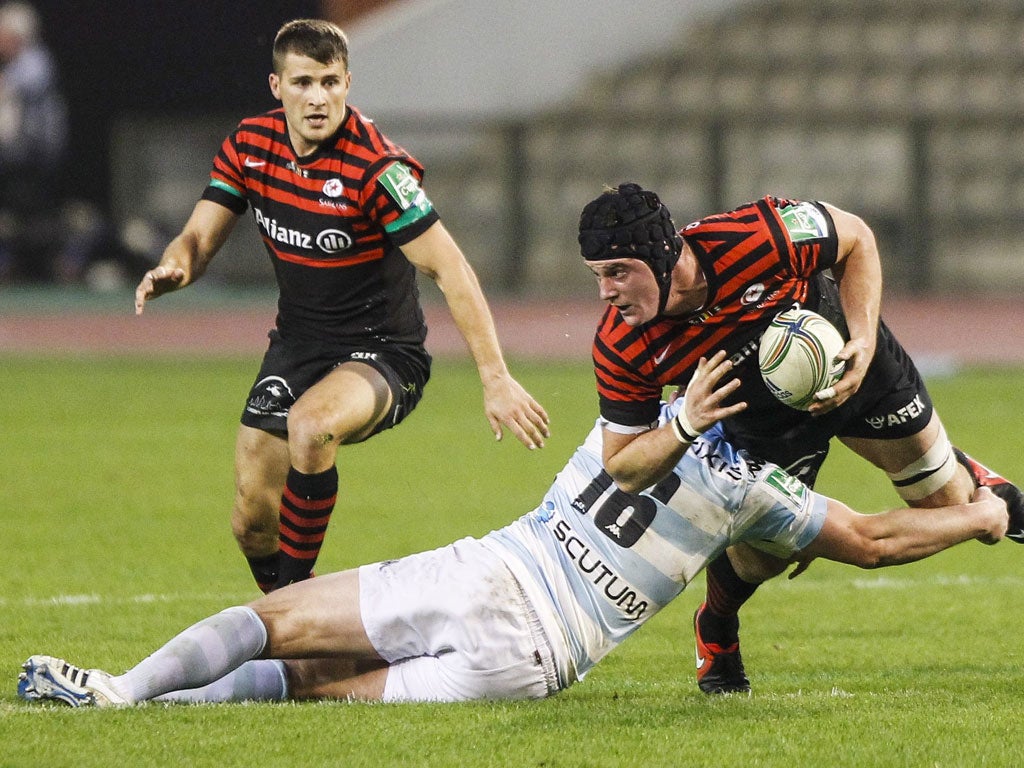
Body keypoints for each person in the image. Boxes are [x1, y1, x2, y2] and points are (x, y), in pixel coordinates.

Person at [16, 352, 1008, 707]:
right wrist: (980, 511)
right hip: (534, 661)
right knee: (309, 697)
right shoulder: (761, 497)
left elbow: (647, 412)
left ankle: (116, 694)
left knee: (281, 632)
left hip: (491, 573)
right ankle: (130, 706)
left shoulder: (638, 408)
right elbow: (878, 540)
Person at [133, 19, 549, 593]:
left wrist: (495, 377)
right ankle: (296, 629)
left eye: (331, 82)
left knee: (312, 426)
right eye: (303, 82)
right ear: (276, 86)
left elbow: (448, 268)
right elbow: (198, 240)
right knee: (252, 521)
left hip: (383, 354)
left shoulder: (378, 171)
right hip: (297, 346)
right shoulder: (250, 146)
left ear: (348, 82)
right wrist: (176, 268)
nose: (318, 98)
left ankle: (294, 614)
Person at [577, 182, 1024, 694]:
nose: (606, 293)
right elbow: (623, 468)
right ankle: (717, 624)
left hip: (850, 360)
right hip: (758, 423)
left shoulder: (756, 235)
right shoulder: (621, 344)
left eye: (616, 273)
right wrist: (682, 426)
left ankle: (975, 481)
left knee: (948, 504)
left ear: (661, 256)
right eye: (597, 276)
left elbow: (857, 240)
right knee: (763, 558)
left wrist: (860, 340)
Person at [0, 1, 68, 283]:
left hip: (35, 156)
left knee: (35, 218)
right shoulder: (18, 64)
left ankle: (44, 271)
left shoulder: (34, 61)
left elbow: (19, 88)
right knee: (22, 216)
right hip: (21, 156)